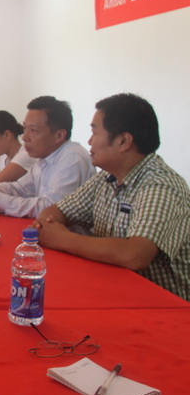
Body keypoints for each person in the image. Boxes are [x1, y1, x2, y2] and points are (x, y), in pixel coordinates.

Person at [36, 94, 190, 301]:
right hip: (112, 291)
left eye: (95, 132)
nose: (89, 141)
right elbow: (54, 212)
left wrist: (63, 239)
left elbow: (135, 254)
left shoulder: (161, 185)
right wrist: (51, 227)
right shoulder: (107, 178)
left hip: (160, 305)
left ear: (123, 141)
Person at [0, 96, 95, 218]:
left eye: (33, 130)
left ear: (59, 135)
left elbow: (51, 209)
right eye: (25, 128)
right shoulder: (45, 158)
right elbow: (19, 189)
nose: (25, 137)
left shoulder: (72, 157)